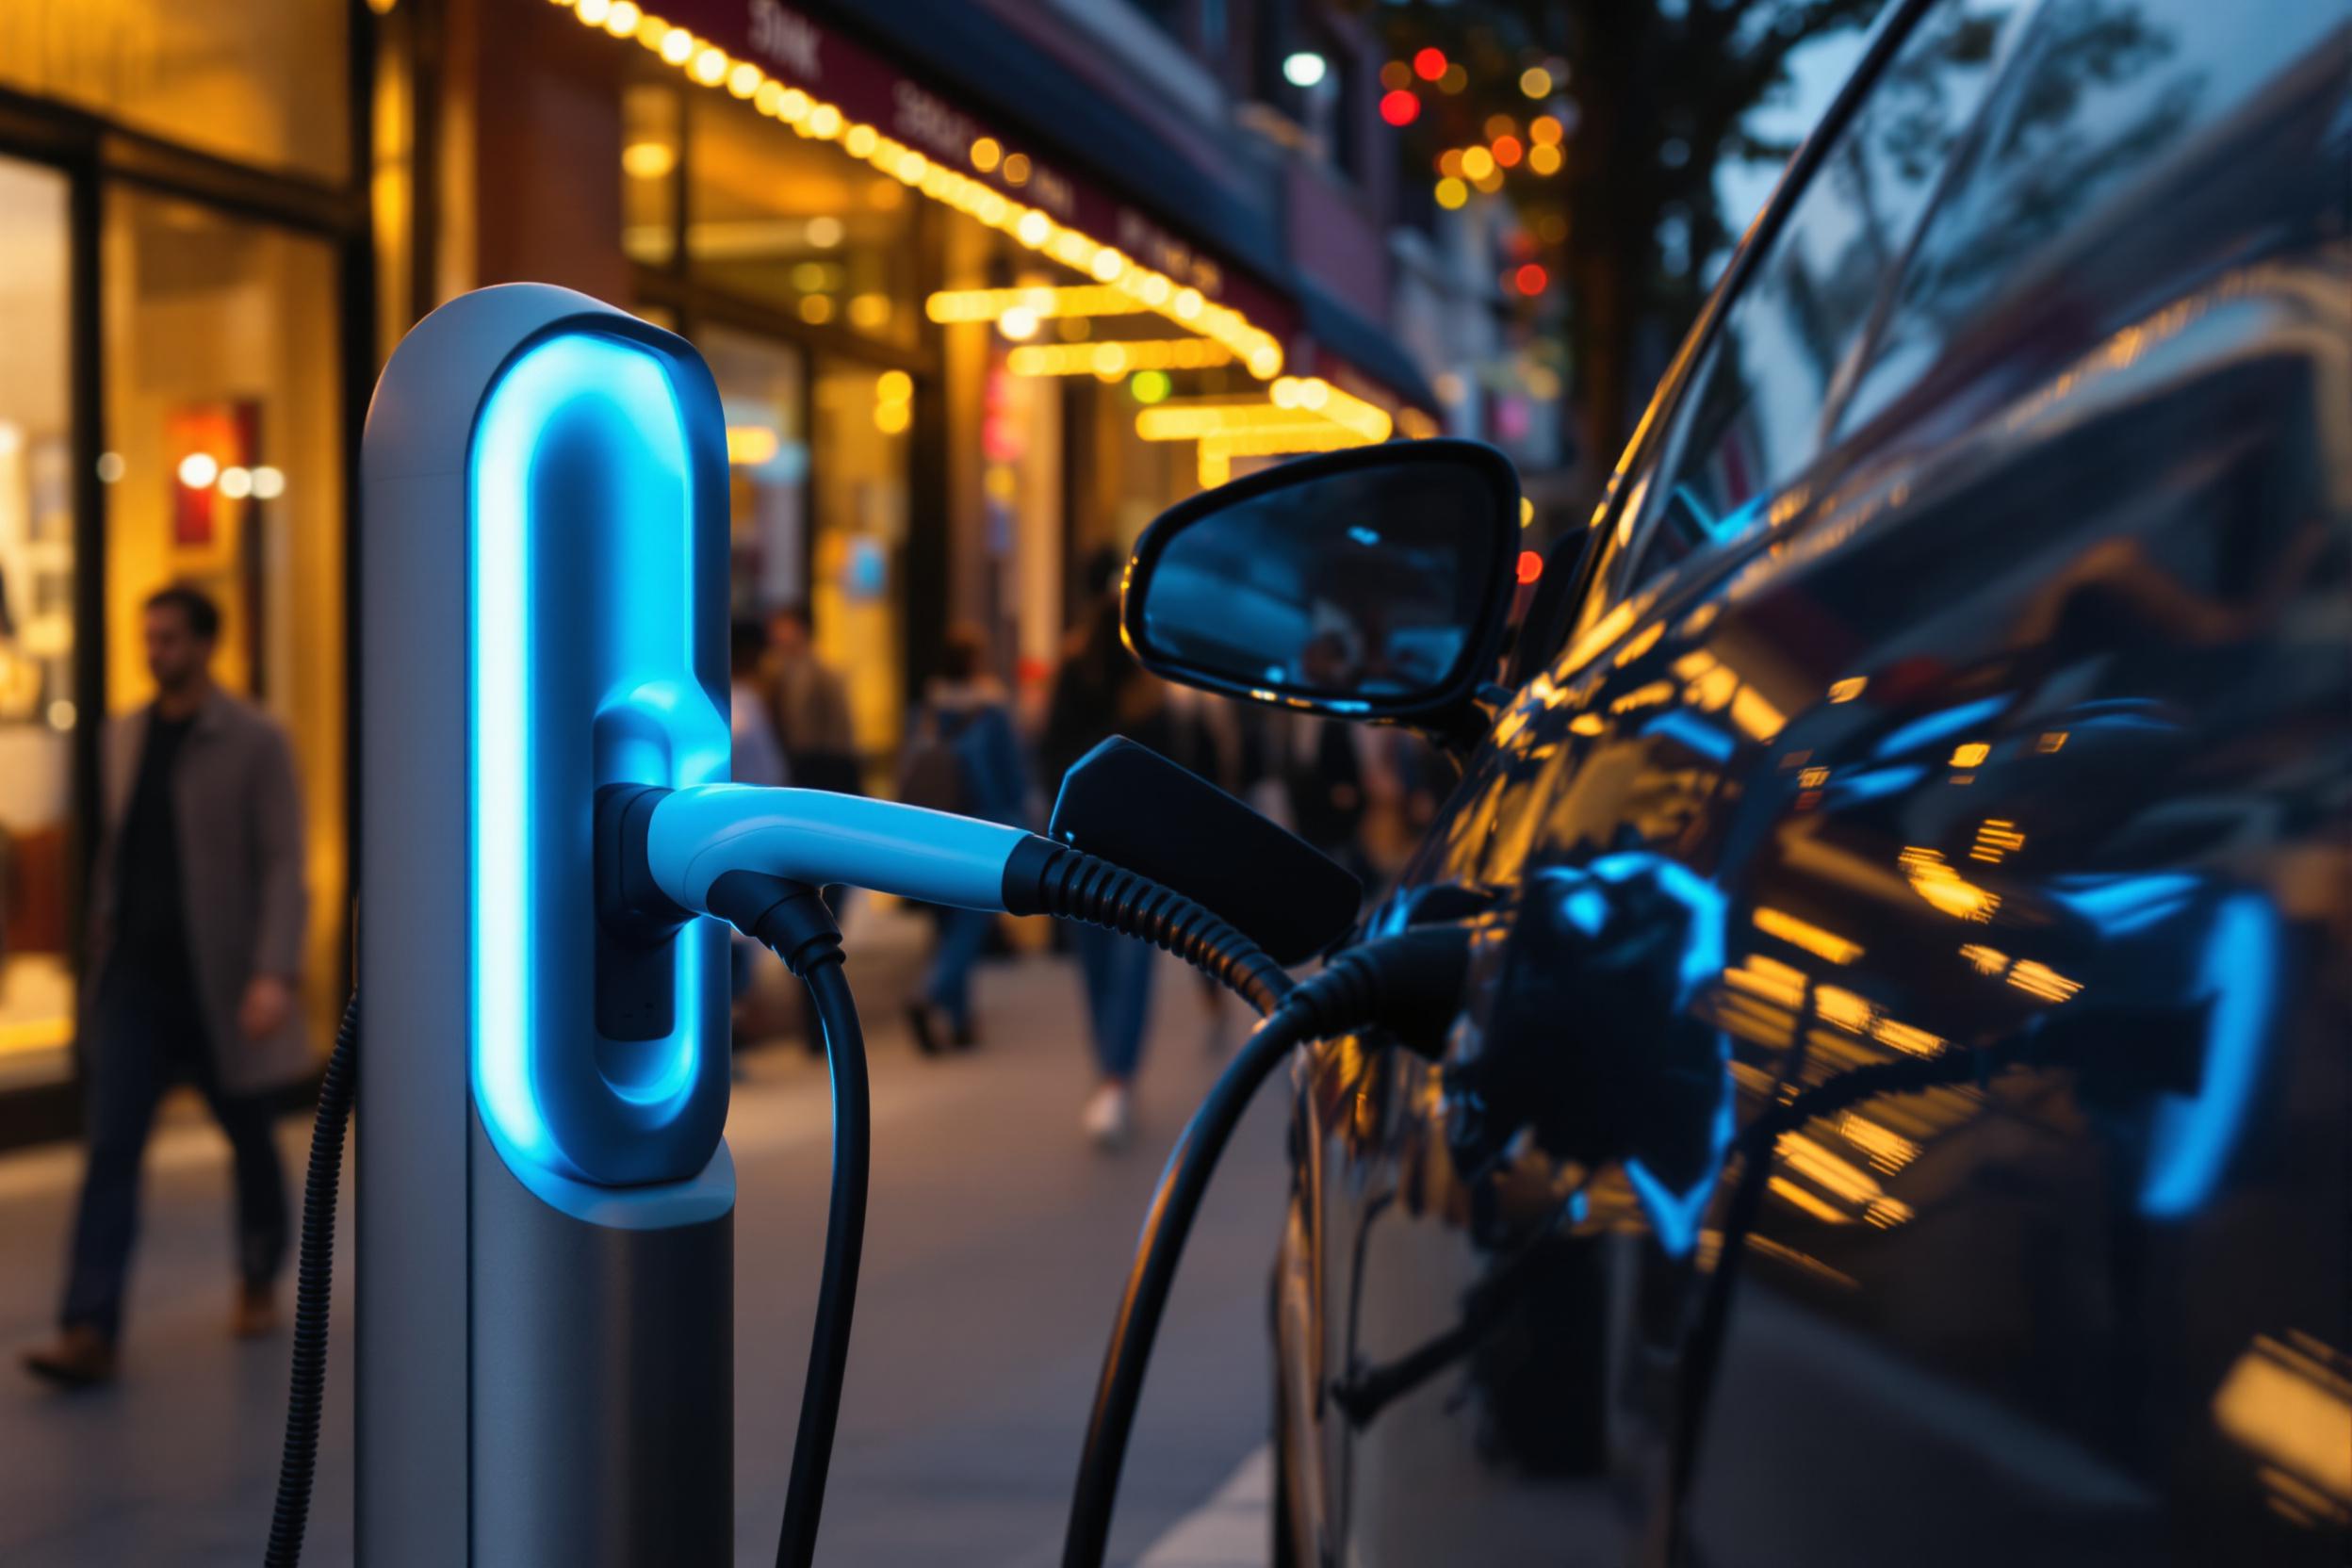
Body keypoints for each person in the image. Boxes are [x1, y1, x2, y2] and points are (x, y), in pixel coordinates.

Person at [21, 584, 308, 1388]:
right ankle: (88, 1327)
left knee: (248, 1136)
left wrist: (273, 970)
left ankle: (257, 1271)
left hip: (219, 982)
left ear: (206, 645)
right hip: (136, 982)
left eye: (171, 639)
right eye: (149, 639)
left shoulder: (255, 740)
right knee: (111, 1146)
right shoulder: (122, 734)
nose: (157, 653)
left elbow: (285, 861)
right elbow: (117, 848)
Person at [1042, 547, 1178, 1150]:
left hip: (1079, 841)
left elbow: (1049, 753)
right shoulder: (1148, 674)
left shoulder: (1073, 667)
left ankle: (1110, 1074)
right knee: (1131, 968)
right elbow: (1175, 770)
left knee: (1096, 968)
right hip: (1141, 845)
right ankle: (1117, 1078)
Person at [898, 625, 1027, 1054]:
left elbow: (908, 768)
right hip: (981, 829)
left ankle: (959, 1024)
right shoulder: (992, 711)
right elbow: (1011, 774)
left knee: (945, 925)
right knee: (970, 925)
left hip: (931, 829)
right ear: (975, 662)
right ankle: (929, 994)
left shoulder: (927, 711)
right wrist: (1024, 821)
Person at [764, 604, 860, 795]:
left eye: (783, 628)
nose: (776, 635)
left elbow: (839, 733)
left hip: (819, 768)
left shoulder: (822, 674)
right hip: (792, 765)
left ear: (801, 630)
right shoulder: (774, 671)